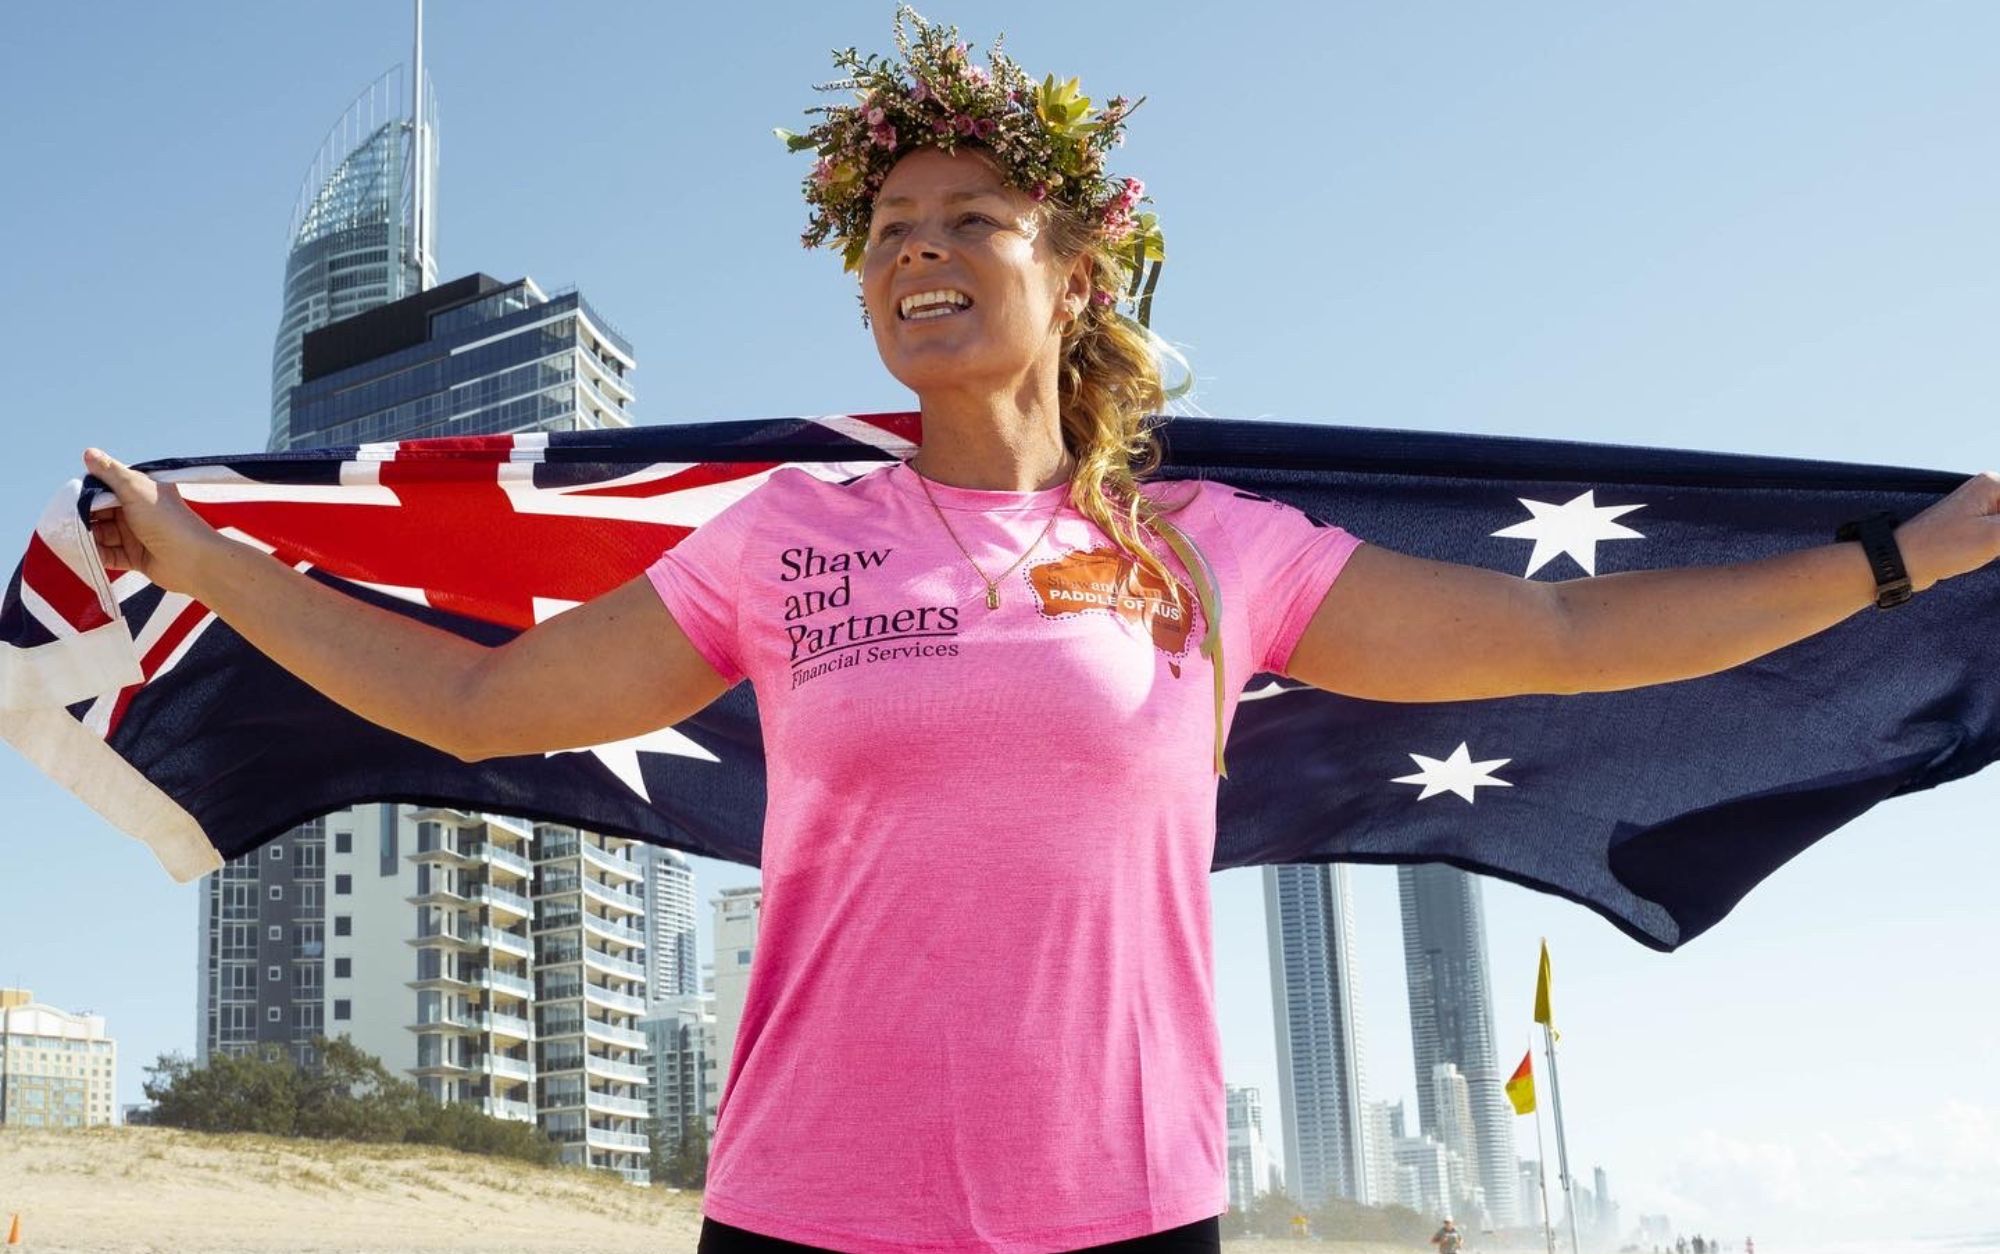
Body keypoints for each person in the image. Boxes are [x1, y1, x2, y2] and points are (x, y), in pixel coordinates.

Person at [77, 9, 2000, 1254]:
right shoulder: (787, 537)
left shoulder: (1216, 551)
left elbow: (1556, 641)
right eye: (889, 225)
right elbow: (484, 698)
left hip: (1128, 1216)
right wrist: (204, 557)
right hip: (804, 1211)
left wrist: (1895, 565)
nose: (918, 248)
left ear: (1073, 272)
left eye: (969, 216)